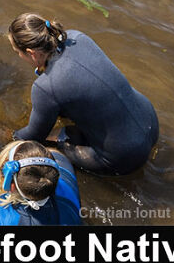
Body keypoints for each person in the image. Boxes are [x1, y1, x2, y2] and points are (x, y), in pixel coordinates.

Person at [8, 13, 159, 175]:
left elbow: (33, 136)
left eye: (18, 52)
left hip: (124, 156)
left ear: (31, 53)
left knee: (43, 150)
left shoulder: (45, 87)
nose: (19, 56)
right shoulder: (76, 37)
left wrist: (9, 136)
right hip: (150, 123)